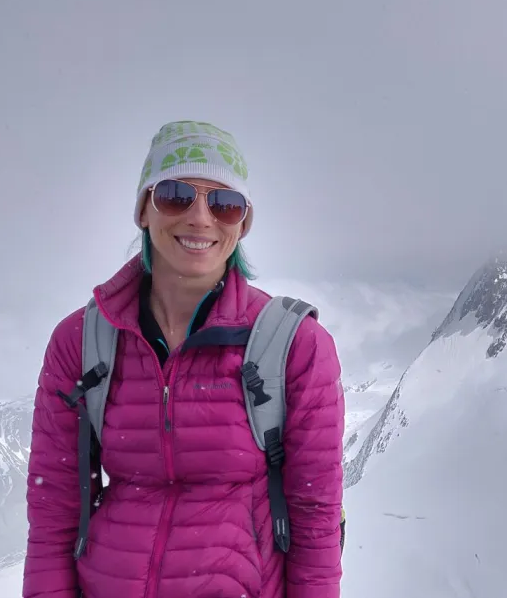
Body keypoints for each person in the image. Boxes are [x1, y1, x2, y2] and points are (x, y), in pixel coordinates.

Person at [22, 121, 345, 598]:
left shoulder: (294, 345)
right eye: (176, 196)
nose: (200, 218)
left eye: (225, 204)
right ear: (143, 209)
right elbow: (54, 509)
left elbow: (316, 518)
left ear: (243, 223)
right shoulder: (83, 341)